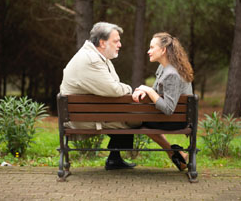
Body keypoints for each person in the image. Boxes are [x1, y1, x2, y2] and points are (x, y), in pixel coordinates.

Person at [60, 22, 140, 170]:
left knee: (130, 115)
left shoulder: (98, 57)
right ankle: (114, 158)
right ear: (102, 43)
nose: (120, 45)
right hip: (83, 120)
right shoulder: (92, 60)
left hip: (89, 114)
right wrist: (130, 88)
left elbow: (113, 86)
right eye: (116, 41)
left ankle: (114, 159)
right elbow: (114, 89)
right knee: (135, 120)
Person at [132, 32, 194, 171]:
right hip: (176, 116)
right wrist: (145, 91)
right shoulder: (164, 67)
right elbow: (155, 90)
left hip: (176, 119)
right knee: (139, 119)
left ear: (163, 50)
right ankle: (176, 154)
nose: (148, 51)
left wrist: (149, 91)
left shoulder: (171, 74)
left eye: (152, 47)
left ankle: (173, 153)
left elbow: (168, 109)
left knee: (137, 120)